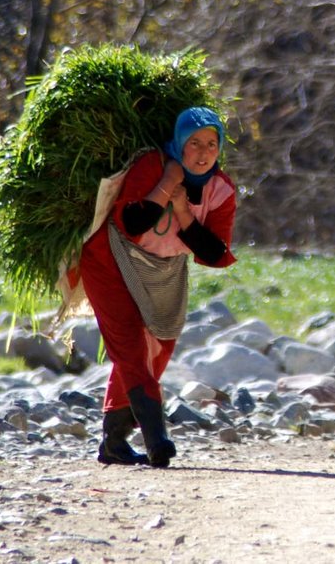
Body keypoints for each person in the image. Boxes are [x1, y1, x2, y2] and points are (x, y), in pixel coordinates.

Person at [76, 107, 236, 467]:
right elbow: (131, 222)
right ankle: (156, 438)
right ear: (179, 143)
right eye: (193, 143)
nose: (203, 152)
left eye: (211, 144)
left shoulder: (220, 189)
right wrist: (167, 181)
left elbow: (214, 252)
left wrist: (182, 210)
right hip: (110, 259)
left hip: (165, 269)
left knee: (159, 350)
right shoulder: (152, 164)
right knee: (131, 347)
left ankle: (114, 441)